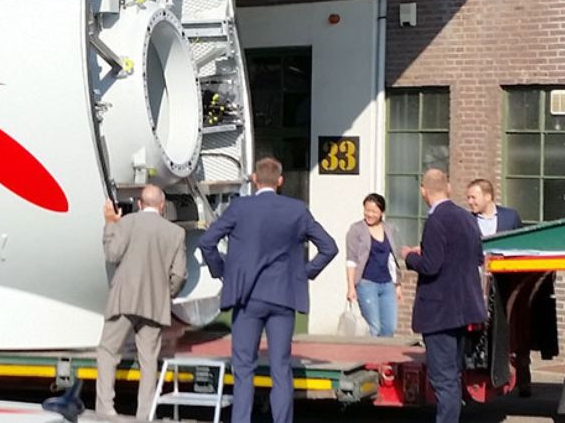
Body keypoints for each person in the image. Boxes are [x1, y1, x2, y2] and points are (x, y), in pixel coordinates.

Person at [199, 157, 338, 423]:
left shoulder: (240, 208)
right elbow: (329, 247)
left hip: (247, 297)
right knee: (281, 368)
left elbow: (207, 242)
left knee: (243, 368)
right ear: (280, 181)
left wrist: (222, 272)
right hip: (283, 296)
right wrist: (304, 273)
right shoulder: (297, 210)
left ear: (254, 179)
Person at [402, 169, 486, 423]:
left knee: (444, 379)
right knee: (454, 375)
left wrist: (410, 256)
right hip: (464, 309)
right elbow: (476, 257)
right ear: (448, 188)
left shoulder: (436, 220)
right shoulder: (467, 218)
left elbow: (431, 266)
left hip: (439, 312)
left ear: (423, 191)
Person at [96, 184, 188, 419]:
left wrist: (110, 224)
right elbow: (179, 274)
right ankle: (144, 414)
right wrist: (165, 294)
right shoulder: (176, 233)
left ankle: (106, 408)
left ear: (139, 203)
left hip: (124, 299)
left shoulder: (127, 223)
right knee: (148, 360)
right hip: (154, 304)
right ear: (162, 204)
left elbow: (112, 254)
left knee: (108, 351)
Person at [466, 178, 530, 396]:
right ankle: (484, 374)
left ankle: (523, 378)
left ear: (488, 196)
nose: (470, 202)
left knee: (514, 330)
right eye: (468, 198)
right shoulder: (468, 220)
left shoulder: (510, 217)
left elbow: (522, 248)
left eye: (473, 197)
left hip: (508, 284)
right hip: (478, 285)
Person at [344, 193, 402, 337]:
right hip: (366, 284)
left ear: (382, 212)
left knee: (389, 327)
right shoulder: (356, 229)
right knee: (373, 327)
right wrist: (351, 287)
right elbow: (351, 260)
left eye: (374, 211)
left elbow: (393, 258)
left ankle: (385, 352)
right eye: (367, 210)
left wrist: (397, 284)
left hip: (387, 284)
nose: (369, 214)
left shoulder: (389, 229)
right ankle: (371, 352)